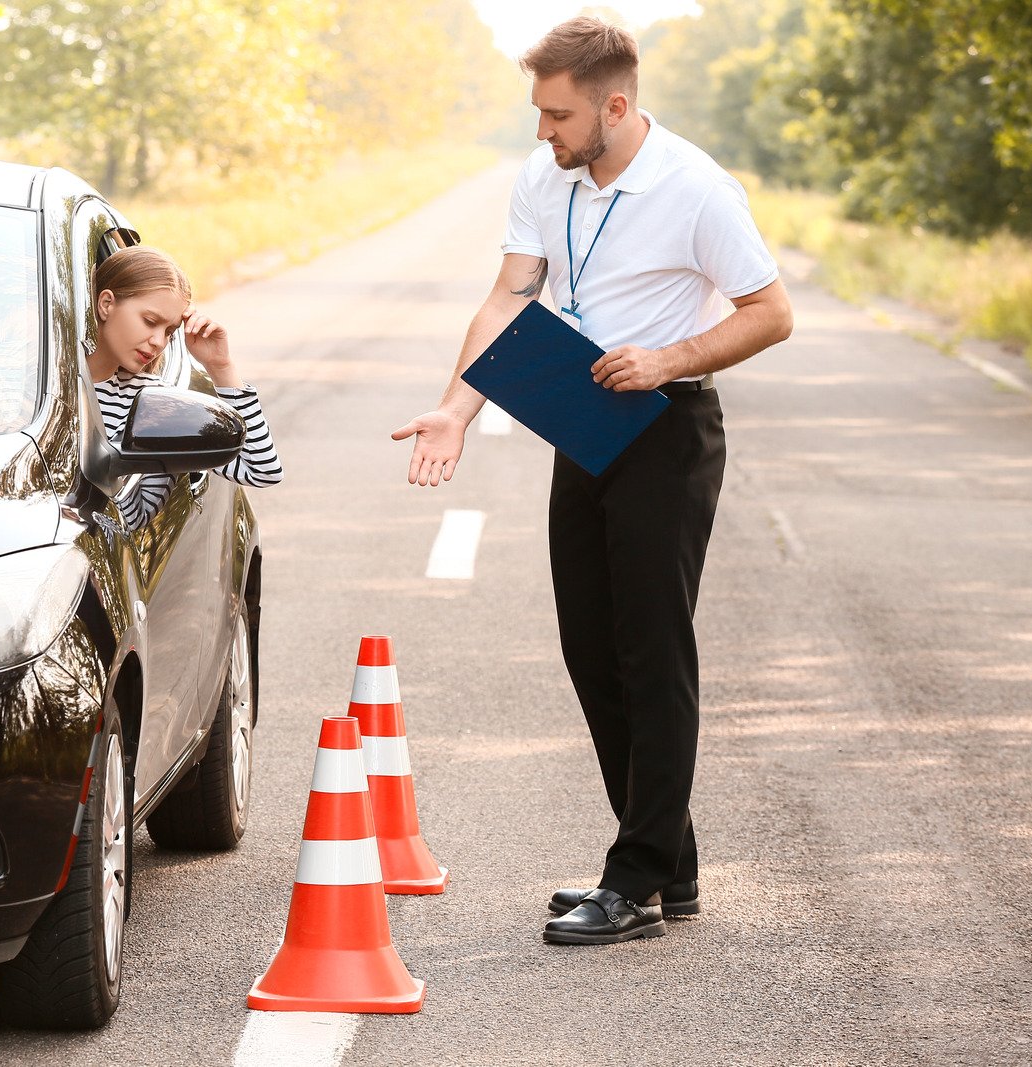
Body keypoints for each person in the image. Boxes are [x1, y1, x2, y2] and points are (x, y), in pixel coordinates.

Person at [392, 16, 793, 946]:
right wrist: (457, 407)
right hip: (583, 423)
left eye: (559, 115)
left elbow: (770, 311)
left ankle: (638, 877)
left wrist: (667, 357)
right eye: (539, 113)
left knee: (653, 649)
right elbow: (510, 294)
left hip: (667, 424)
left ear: (616, 105)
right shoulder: (547, 177)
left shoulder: (696, 189)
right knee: (590, 646)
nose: (543, 132)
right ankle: (667, 862)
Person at [85, 247, 282, 522]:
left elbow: (262, 469)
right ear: (106, 304)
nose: (158, 342)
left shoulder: (155, 405)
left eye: (169, 331)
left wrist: (220, 366)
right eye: (149, 321)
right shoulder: (28, 389)